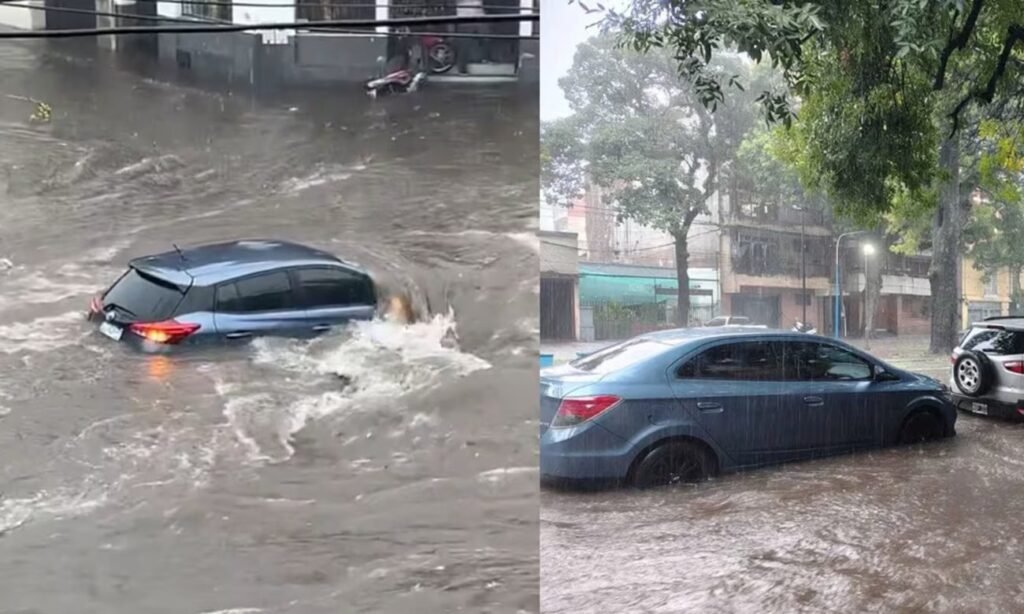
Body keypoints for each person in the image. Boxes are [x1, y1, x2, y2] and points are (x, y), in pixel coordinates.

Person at [455, 0, 486, 74]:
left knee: (485, 38)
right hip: (466, 20)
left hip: (474, 19)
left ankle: (484, 58)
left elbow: (479, 7)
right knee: (464, 45)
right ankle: (462, 68)